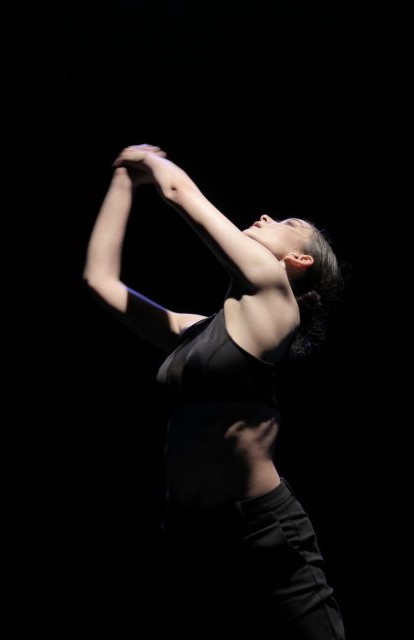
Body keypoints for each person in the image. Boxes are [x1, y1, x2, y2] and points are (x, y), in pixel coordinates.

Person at [83, 144, 348, 639]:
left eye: (287, 222)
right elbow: (100, 281)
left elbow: (178, 190)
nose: (267, 215)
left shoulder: (275, 294)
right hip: (191, 534)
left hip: (262, 531)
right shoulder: (197, 330)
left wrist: (147, 158)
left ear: (298, 259)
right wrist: (122, 178)